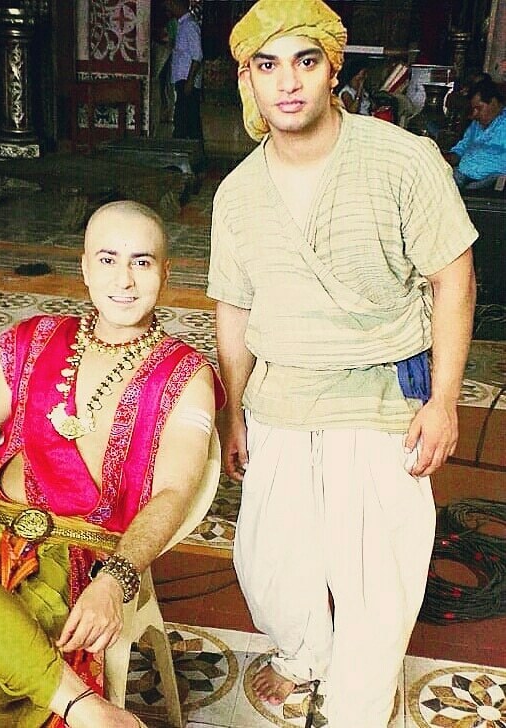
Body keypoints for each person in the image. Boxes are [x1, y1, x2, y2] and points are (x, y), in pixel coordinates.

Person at [206, 1, 477, 727]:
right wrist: (235, 413)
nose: (288, 82)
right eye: (268, 65)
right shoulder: (238, 194)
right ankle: (304, 654)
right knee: (269, 567)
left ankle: (361, 698)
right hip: (281, 398)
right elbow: (234, 310)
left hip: (382, 394)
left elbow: (454, 278)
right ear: (247, 80)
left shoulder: (402, 159)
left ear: (333, 69)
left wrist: (443, 401)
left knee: (375, 575)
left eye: (305, 61)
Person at [0, 200, 224, 728]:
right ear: (85, 268)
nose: (124, 279)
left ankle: (60, 695)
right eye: (108, 260)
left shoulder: (186, 374)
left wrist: (114, 579)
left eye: (141, 261)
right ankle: (84, 706)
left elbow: (173, 494)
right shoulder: (37, 338)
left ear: (165, 272)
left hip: (80, 556)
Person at [444, 78, 506, 190]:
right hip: (462, 174)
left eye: (479, 108)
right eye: (474, 109)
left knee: (467, 190)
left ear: (493, 102)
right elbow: (461, 148)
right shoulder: (476, 124)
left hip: (492, 179)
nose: (475, 114)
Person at [166, 0, 203, 139]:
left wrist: (189, 81)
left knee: (186, 120)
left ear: (176, 5)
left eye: (170, 5)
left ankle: (186, 148)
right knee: (186, 120)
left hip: (187, 81)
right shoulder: (181, 25)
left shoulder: (190, 26)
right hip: (183, 80)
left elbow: (197, 56)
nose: (168, 8)